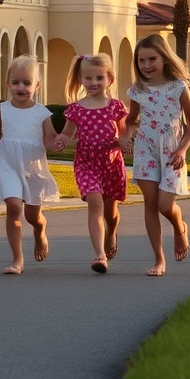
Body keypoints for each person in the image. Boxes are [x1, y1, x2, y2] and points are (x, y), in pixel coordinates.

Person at [125, 34, 190, 276]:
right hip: (145, 150)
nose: (146, 65)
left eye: (152, 59)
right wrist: (126, 136)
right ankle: (159, 260)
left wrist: (182, 149)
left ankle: (179, 227)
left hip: (172, 152)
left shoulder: (178, 86)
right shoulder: (137, 90)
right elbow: (131, 120)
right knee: (150, 203)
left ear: (165, 58)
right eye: (141, 61)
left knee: (165, 205)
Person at [0, 55, 59, 274]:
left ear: (37, 85)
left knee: (32, 216)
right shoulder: (1, 110)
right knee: (14, 207)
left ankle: (40, 229)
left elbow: (51, 140)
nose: (21, 87)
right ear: (7, 84)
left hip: (33, 168)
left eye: (27, 83)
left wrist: (60, 142)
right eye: (16, 82)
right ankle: (17, 259)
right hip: (8, 163)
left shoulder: (42, 113)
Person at [55, 53, 127, 274]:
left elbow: (124, 131)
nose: (93, 83)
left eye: (99, 78)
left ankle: (111, 232)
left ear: (110, 79)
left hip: (111, 162)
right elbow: (67, 134)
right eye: (88, 78)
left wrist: (124, 142)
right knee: (95, 202)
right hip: (86, 162)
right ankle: (99, 255)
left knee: (110, 211)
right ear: (80, 79)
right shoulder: (76, 108)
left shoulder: (116, 106)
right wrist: (61, 140)